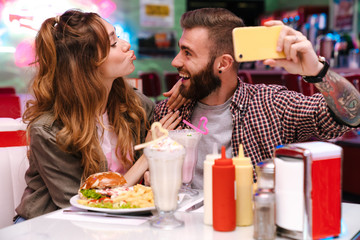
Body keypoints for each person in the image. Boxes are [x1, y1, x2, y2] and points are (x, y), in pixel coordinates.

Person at [153, 8, 360, 189]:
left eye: (187, 53)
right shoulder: (168, 114)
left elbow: (353, 115)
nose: (175, 61)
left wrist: (317, 70)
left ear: (223, 64)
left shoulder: (269, 105)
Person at [14, 9, 182, 222]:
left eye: (118, 36)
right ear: (86, 64)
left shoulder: (136, 105)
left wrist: (188, 87)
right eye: (113, 44)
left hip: (119, 220)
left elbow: (170, 129)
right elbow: (84, 205)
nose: (125, 45)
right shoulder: (49, 129)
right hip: (51, 224)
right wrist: (148, 157)